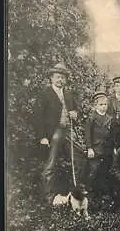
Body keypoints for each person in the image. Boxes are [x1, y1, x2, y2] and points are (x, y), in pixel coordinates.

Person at [34, 62, 85, 203]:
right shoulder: (45, 94)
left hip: (68, 130)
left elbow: (75, 111)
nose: (60, 80)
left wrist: (76, 113)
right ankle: (50, 197)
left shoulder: (68, 94)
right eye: (57, 77)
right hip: (53, 133)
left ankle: (76, 193)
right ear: (51, 78)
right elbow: (37, 117)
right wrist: (43, 137)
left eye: (63, 78)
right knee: (50, 163)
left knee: (79, 156)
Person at [84, 91, 114, 199]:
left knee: (105, 170)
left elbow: (111, 135)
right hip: (95, 148)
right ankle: (89, 192)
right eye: (100, 105)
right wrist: (89, 148)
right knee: (93, 170)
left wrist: (113, 147)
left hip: (106, 149)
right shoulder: (91, 118)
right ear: (95, 105)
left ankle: (103, 192)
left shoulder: (109, 118)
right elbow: (87, 134)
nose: (103, 107)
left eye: (105, 104)